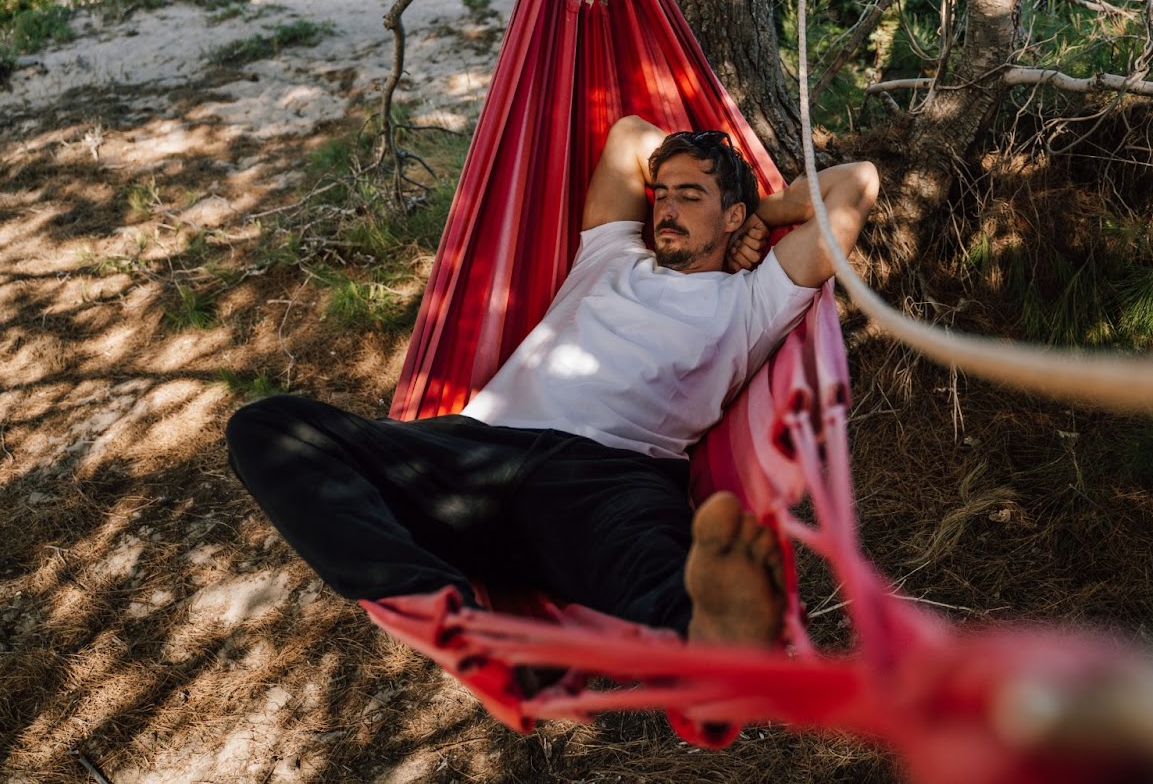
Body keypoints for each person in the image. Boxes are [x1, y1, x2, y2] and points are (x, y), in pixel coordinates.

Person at [225, 116, 878, 649]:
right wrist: (703, 179)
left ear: (730, 216)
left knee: (676, 598)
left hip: (610, 480)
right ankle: (432, 602)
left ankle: (721, 646)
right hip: (475, 452)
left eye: (693, 196)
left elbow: (856, 183)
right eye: (664, 193)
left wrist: (764, 210)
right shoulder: (611, 253)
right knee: (269, 428)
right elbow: (630, 134)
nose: (668, 209)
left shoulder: (753, 301)